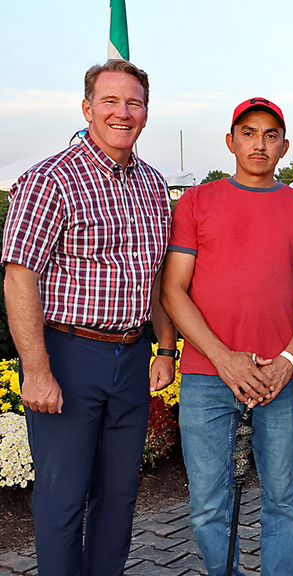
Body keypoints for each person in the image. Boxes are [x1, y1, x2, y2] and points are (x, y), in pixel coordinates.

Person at [1, 59, 176, 576]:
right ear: (87, 108)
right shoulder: (49, 180)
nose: (123, 113)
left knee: (120, 497)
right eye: (111, 101)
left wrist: (165, 348)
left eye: (134, 103)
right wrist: (36, 369)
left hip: (132, 353)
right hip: (69, 355)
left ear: (146, 112)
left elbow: (158, 276)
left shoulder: (152, 183)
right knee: (62, 501)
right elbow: (18, 277)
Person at [161, 97, 293, 576]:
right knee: (208, 505)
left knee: (282, 502)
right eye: (249, 133)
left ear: (285, 148)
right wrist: (223, 358)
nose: (260, 143)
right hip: (206, 377)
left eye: (271, 135)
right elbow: (173, 289)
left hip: (278, 379)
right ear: (231, 141)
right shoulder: (196, 202)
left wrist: (289, 361)